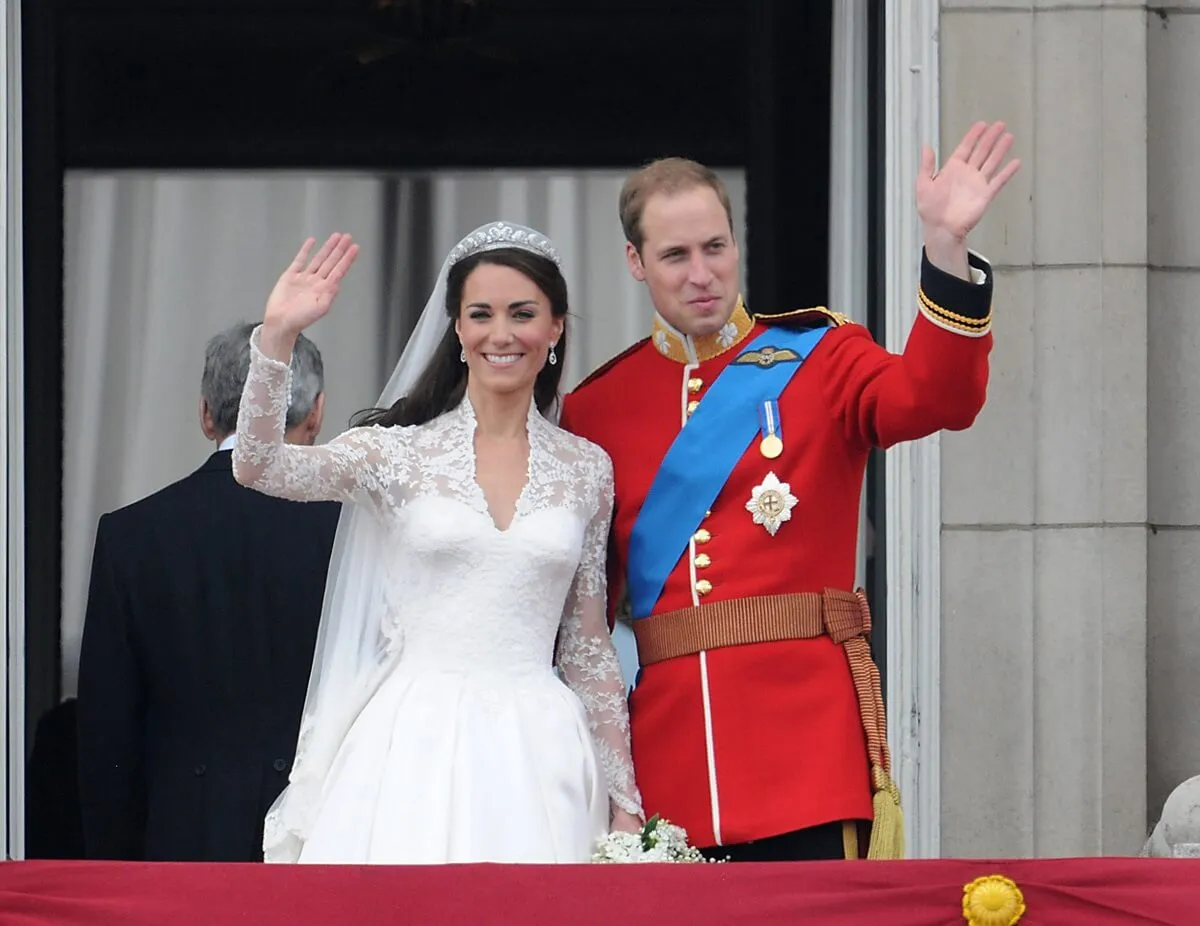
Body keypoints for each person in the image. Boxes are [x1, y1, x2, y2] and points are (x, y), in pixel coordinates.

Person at [558, 121, 1021, 862]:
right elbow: (578, 616)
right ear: (636, 262)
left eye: (715, 247)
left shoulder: (823, 357)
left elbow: (938, 399)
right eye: (675, 255)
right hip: (670, 772)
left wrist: (944, 251)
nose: (701, 272)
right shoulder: (595, 409)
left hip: (806, 760)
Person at [232, 221, 643, 865]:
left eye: (522, 313)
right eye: (480, 314)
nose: (500, 334)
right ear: (456, 328)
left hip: (545, 750)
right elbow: (259, 465)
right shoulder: (397, 452)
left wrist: (625, 799)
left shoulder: (587, 467)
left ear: (556, 327)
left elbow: (588, 644)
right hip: (411, 743)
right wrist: (279, 336)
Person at [76, 323, 340, 862]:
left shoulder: (131, 535)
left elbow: (107, 732)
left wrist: (113, 867)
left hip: (181, 840)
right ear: (316, 413)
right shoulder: (354, 534)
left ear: (204, 414)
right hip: (326, 834)